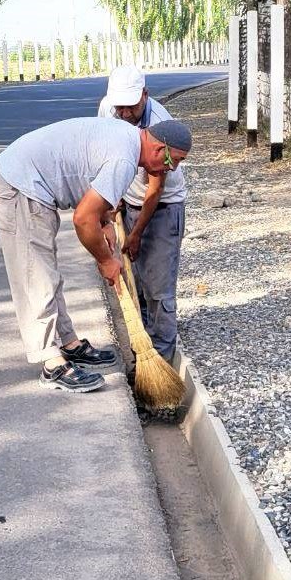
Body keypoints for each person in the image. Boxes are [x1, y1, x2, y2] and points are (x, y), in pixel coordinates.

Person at [0, 116, 192, 393]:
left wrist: (105, 221)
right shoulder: (125, 160)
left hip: (31, 181)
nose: (173, 168)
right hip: (21, 185)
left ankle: (68, 343)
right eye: (174, 160)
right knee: (36, 276)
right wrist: (106, 260)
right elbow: (83, 219)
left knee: (47, 274)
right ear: (159, 150)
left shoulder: (129, 141)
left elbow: (89, 176)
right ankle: (50, 362)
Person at [98, 66, 188, 364]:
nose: (124, 113)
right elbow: (108, 158)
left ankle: (162, 357)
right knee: (137, 279)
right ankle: (144, 342)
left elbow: (155, 188)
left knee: (159, 288)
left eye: (131, 106)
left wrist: (136, 234)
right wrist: (114, 206)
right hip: (130, 203)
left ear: (145, 96)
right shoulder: (109, 110)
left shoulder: (160, 125)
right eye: (120, 106)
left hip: (162, 208)